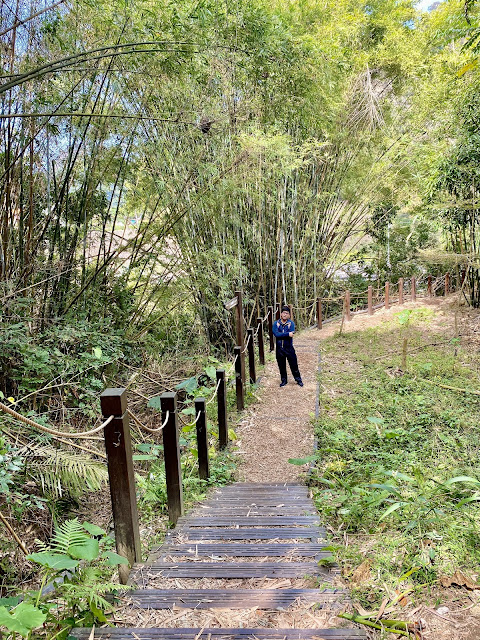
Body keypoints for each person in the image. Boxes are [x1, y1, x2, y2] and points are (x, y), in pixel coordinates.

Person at [272, 305, 303, 387]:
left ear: (289, 315)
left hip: (289, 347)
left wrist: (284, 335)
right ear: (281, 314)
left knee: (294, 364)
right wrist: (287, 334)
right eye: (283, 313)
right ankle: (284, 380)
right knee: (281, 365)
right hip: (279, 348)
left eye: (287, 313)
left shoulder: (291, 324)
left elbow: (291, 334)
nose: (285, 315)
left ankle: (298, 379)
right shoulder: (276, 324)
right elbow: (276, 335)